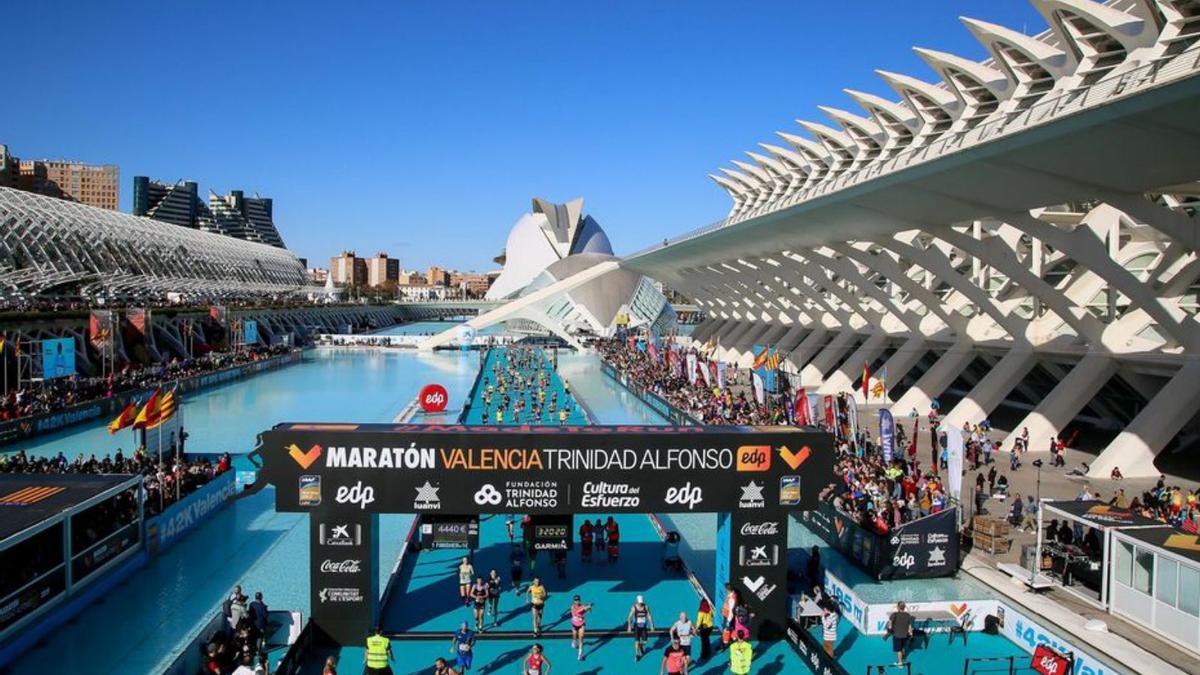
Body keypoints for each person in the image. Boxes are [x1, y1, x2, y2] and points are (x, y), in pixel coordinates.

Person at [884, 601, 914, 666]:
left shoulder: (894, 614)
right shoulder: (908, 615)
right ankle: (903, 657)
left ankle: (900, 662)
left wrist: (888, 631)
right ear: (904, 607)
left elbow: (889, 623)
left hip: (897, 635)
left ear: (898, 607)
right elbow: (910, 626)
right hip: (905, 635)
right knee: (903, 647)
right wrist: (911, 633)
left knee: (898, 650)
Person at [627, 595, 655, 660]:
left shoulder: (646, 607)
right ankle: (637, 654)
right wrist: (629, 626)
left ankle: (641, 645)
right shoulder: (634, 608)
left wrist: (652, 625)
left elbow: (649, 616)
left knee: (645, 641)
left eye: (641, 603)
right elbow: (629, 617)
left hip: (644, 626)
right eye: (639, 603)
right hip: (636, 626)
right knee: (637, 641)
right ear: (637, 601)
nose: (640, 604)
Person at [570, 595, 594, 661]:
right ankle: (574, 642)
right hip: (574, 624)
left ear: (579, 600)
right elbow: (577, 612)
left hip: (581, 624)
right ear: (573, 601)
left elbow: (585, 611)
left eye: (578, 600)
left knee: (581, 638)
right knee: (574, 636)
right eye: (575, 600)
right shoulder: (573, 607)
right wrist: (586, 607)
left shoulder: (583, 606)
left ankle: (579, 655)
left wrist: (588, 608)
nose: (577, 601)